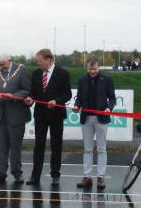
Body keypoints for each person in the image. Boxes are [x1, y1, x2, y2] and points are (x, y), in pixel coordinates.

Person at [25, 48, 72, 185]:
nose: (38, 64)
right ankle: (35, 175)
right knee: (39, 145)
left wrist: (57, 101)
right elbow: (33, 92)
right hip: (40, 114)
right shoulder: (36, 74)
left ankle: (55, 174)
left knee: (56, 145)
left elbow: (67, 94)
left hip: (56, 114)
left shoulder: (62, 73)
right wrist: (30, 99)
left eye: (40, 61)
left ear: (48, 60)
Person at [72, 55, 116, 189]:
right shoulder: (82, 80)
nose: (92, 71)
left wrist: (109, 107)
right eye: (90, 69)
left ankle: (101, 177)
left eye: (95, 69)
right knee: (87, 149)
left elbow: (112, 98)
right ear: (87, 67)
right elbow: (79, 98)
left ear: (99, 66)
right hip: (86, 118)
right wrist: (76, 106)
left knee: (102, 148)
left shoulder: (107, 79)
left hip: (101, 118)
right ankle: (87, 176)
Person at [0, 53, 31, 184]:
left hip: (16, 115)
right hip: (1, 115)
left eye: (4, 65)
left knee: (15, 146)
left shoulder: (22, 70)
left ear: (10, 61)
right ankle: (1, 172)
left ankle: (17, 172)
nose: (2, 68)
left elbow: (27, 90)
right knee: (1, 146)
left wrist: (13, 96)